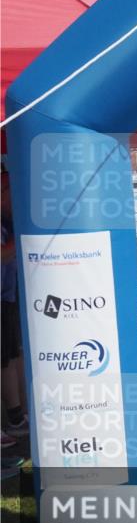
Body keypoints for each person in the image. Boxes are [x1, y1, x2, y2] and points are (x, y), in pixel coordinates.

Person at [1, 174, 27, 443]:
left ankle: (18, 415)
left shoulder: (7, 221)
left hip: (7, 297)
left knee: (11, 355)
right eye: (10, 190)